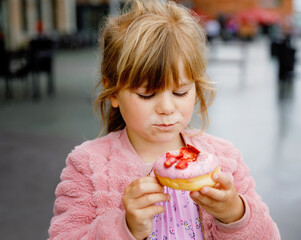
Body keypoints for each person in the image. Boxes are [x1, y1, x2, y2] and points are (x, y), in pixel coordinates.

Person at [48, 0, 280, 239]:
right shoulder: (88, 166)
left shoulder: (225, 160)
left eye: (180, 92)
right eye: (147, 94)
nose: (167, 108)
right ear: (114, 92)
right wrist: (124, 227)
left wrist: (235, 214)